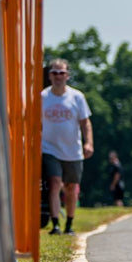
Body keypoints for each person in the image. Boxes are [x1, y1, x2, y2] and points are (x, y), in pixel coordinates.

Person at [41, 59, 93, 234]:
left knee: (71, 187)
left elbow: (85, 122)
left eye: (61, 73)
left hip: (72, 150)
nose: (58, 76)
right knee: (55, 182)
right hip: (49, 148)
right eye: (54, 72)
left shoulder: (77, 97)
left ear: (67, 76)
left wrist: (88, 142)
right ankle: (55, 224)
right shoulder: (43, 97)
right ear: (49, 76)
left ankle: (69, 224)